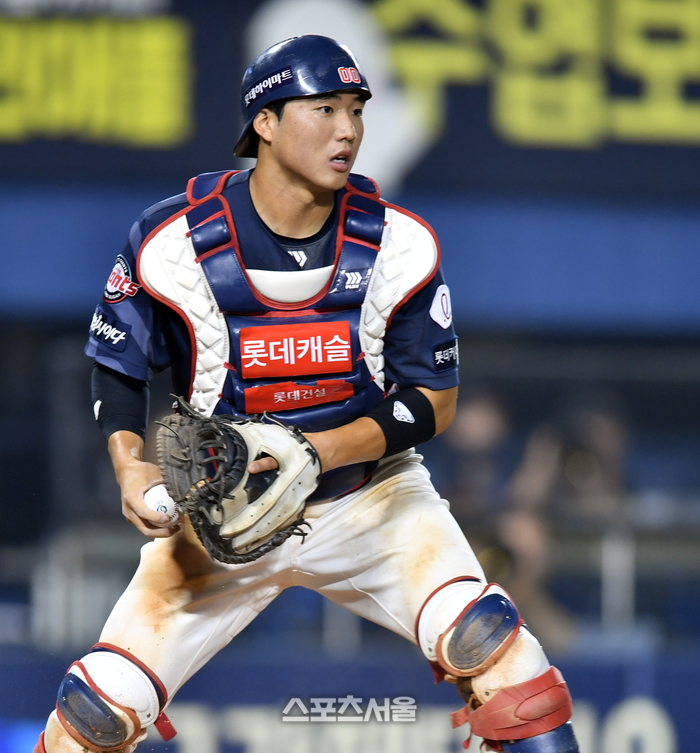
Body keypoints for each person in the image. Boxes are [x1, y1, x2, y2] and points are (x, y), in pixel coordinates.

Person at [35, 36, 579, 753]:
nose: (348, 129)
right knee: (95, 713)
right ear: (264, 121)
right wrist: (130, 464)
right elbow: (119, 365)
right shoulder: (172, 240)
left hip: (372, 499)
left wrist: (314, 450)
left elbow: (433, 401)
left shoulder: (398, 243)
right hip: (223, 512)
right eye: (324, 109)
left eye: (356, 109)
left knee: (507, 663)